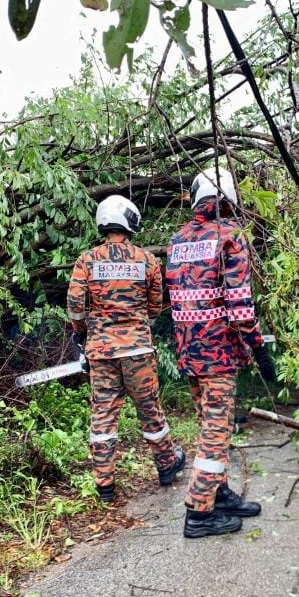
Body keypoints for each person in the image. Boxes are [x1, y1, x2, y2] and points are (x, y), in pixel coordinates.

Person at [166, 165, 277, 538]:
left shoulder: (179, 239)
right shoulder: (230, 236)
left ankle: (219, 493)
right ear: (229, 198)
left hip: (189, 351)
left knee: (208, 423)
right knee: (216, 430)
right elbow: (240, 303)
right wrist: (258, 348)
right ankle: (199, 513)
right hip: (218, 353)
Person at [67, 195, 185, 503]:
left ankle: (104, 485)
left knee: (103, 415)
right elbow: (155, 307)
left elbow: (75, 307)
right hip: (137, 351)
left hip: (101, 352)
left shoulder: (86, 260)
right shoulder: (147, 260)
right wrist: (137, 326)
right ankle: (166, 466)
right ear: (130, 222)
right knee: (150, 410)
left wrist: (83, 333)